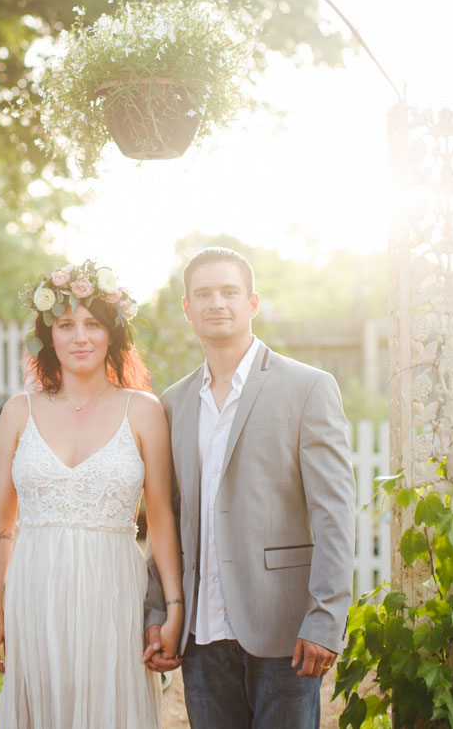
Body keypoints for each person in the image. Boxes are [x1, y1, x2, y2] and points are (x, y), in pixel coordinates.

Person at [143, 246, 356, 729]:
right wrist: (158, 608)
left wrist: (326, 616)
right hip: (202, 628)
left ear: (252, 303)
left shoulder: (308, 388)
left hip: (284, 627)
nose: (217, 302)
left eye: (229, 292)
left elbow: (334, 513)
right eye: (204, 294)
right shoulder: (173, 403)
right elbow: (165, 517)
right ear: (187, 308)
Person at [0, 261, 183, 729]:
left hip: (113, 591)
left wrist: (173, 607)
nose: (80, 337)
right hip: (35, 590)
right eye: (66, 325)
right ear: (48, 335)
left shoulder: (144, 411)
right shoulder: (18, 411)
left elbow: (162, 520)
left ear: (112, 334)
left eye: (93, 324)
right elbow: (0, 522)